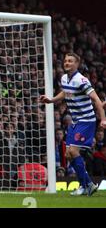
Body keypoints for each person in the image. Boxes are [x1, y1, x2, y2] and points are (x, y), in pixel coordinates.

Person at [40, 52, 106, 196]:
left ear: (77, 64)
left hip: (86, 120)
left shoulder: (81, 80)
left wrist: (103, 119)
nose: (67, 63)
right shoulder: (64, 78)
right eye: (65, 61)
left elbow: (95, 99)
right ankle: (86, 185)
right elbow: (65, 92)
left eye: (70, 61)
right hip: (75, 121)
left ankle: (87, 185)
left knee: (73, 152)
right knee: (68, 154)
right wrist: (51, 100)